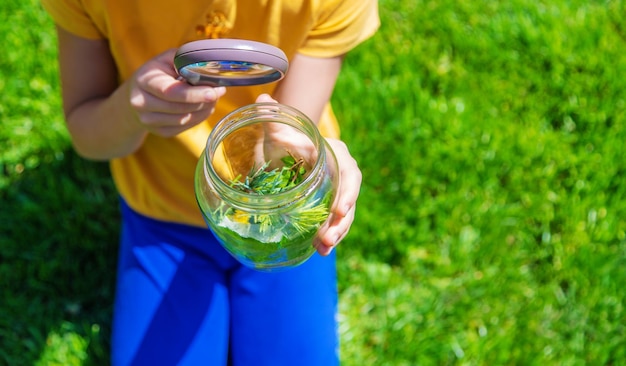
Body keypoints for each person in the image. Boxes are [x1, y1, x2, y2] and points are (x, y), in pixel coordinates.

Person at [41, 0, 379, 364]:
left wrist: (317, 167)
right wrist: (131, 109)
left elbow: (285, 133)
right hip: (163, 215)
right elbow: (87, 134)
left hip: (286, 222)